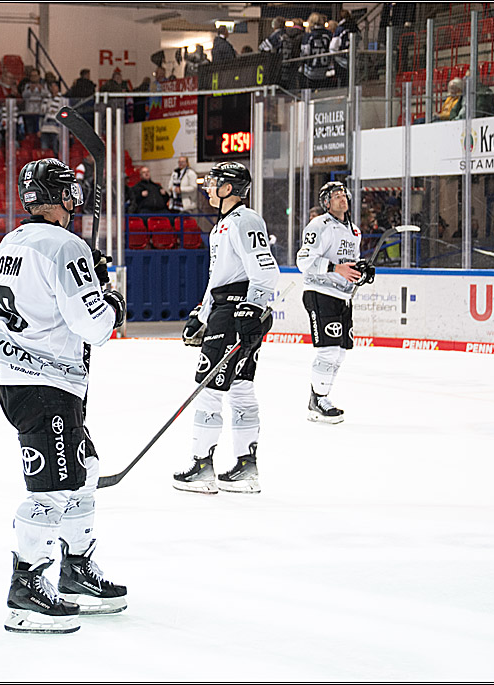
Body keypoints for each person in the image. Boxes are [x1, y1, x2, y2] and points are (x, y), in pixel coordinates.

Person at [0, 158, 127, 633]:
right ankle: (26, 588)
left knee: (85, 469)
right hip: (45, 382)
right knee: (53, 488)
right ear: (59, 195)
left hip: (22, 377)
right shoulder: (66, 245)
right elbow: (94, 326)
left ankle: (75, 570)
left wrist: (89, 280)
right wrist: (110, 301)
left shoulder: (13, 241)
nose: (75, 199)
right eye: (69, 191)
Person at [174, 162, 278, 494]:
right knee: (241, 387)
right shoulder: (222, 225)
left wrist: (253, 307)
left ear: (229, 188)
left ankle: (202, 467)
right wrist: (202, 315)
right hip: (228, 311)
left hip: (236, 312)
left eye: (214, 182)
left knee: (209, 390)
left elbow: (265, 269)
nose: (208, 187)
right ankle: (246, 468)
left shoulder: (245, 219)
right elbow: (217, 278)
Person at [297, 181, 372, 423]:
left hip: (343, 296)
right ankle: (318, 400)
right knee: (328, 350)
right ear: (326, 202)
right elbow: (303, 261)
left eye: (343, 194)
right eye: (336, 195)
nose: (342, 198)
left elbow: (350, 264)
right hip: (320, 292)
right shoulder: (319, 225)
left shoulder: (354, 231)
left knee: (339, 353)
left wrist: (361, 271)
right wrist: (335, 268)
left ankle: (319, 397)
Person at [301, 12, 334, 90]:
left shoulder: (309, 36)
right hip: (325, 71)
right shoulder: (329, 35)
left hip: (311, 71)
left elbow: (305, 52)